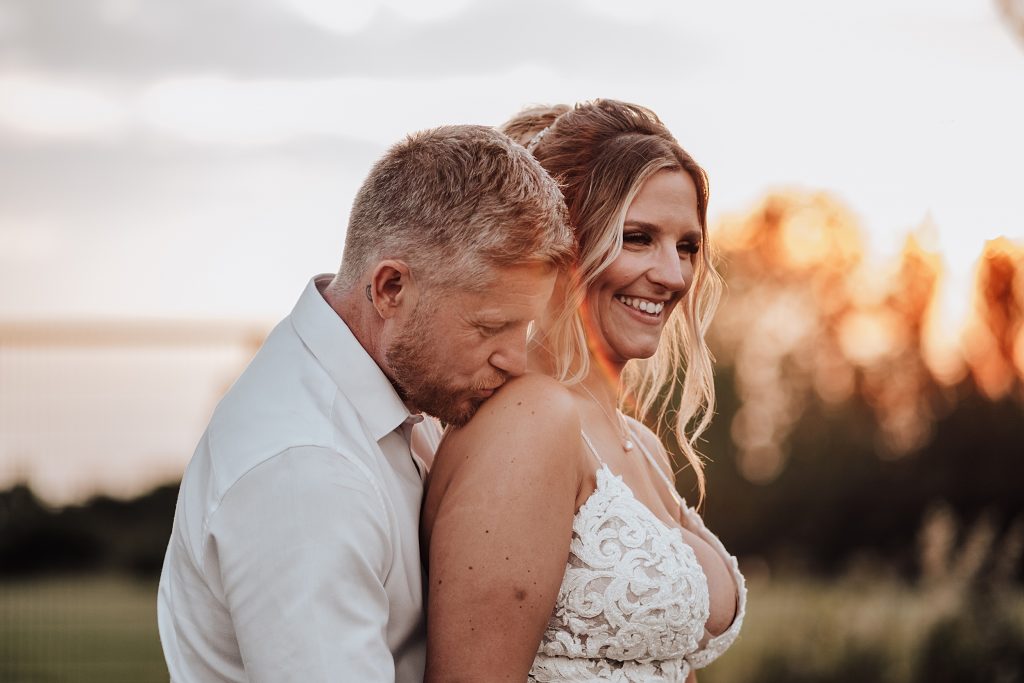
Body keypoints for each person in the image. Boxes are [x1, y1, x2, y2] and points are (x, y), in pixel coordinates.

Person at [157, 124, 574, 682]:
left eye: (524, 327)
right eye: (491, 327)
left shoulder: (394, 391)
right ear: (390, 288)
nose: (515, 360)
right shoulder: (307, 471)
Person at [421, 100, 746, 682]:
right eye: (637, 238)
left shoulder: (641, 444)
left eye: (687, 246)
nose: (673, 275)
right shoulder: (529, 419)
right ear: (563, 247)